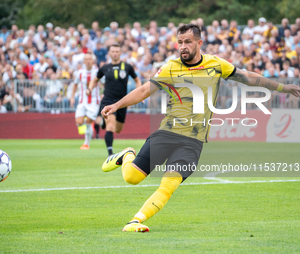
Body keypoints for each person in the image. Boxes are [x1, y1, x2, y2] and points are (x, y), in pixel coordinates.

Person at [100, 24, 300, 232]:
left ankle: (135, 221)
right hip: (167, 132)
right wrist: (116, 105)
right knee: (132, 178)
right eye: (180, 42)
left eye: (187, 42)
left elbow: (248, 77)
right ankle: (127, 156)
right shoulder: (171, 67)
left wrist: (282, 87)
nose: (183, 47)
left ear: (199, 43)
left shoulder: (216, 64)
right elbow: (143, 91)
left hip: (193, 141)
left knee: (169, 185)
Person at [88, 43, 141, 156]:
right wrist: (89, 89)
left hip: (122, 102)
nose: (115, 53)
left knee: (118, 129)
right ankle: (110, 154)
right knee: (110, 126)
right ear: (109, 53)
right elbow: (95, 80)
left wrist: (140, 94)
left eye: (117, 51)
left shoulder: (127, 67)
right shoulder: (105, 67)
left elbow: (137, 80)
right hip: (108, 100)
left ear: (120, 53)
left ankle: (103, 122)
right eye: (113, 51)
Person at [71, 53, 100, 150]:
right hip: (82, 101)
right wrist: (72, 97)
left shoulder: (97, 72)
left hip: (94, 101)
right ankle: (89, 128)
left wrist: (104, 94)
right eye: (86, 59)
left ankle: (86, 143)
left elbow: (104, 83)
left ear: (92, 60)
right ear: (84, 61)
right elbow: (75, 84)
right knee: (78, 122)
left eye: (89, 59)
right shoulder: (80, 72)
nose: (88, 61)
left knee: (88, 122)